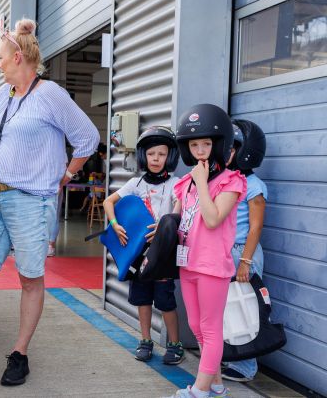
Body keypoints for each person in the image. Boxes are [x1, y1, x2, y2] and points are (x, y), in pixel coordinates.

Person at [0, 17, 99, 386]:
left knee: (30, 278)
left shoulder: (50, 94)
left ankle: (19, 353)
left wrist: (66, 173)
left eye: (0, 57)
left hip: (31, 201)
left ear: (18, 57)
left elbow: (88, 137)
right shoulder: (5, 95)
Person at [167, 104, 246, 398]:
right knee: (195, 325)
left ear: (219, 145)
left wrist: (201, 182)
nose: (200, 150)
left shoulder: (232, 181)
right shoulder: (184, 184)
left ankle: (199, 390)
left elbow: (213, 219)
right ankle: (215, 385)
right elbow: (176, 221)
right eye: (194, 144)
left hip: (213, 265)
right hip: (188, 263)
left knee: (211, 329)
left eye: (207, 144)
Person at [103, 126, 185, 365]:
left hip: (163, 253)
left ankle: (175, 344)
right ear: (143, 157)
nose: (156, 159)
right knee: (142, 300)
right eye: (151, 154)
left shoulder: (176, 183)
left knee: (166, 301)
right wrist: (115, 225)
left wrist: (166, 225)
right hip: (139, 254)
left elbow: (178, 212)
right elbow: (109, 201)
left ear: (169, 156)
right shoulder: (135, 183)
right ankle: (146, 341)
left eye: (161, 154)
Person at [221, 120, 268, 383]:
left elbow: (256, 227)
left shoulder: (254, 185)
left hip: (243, 253)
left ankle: (246, 367)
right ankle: (232, 358)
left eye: (230, 148)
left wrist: (245, 262)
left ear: (244, 151)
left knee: (246, 312)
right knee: (229, 310)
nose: (224, 152)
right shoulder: (230, 180)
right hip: (227, 253)